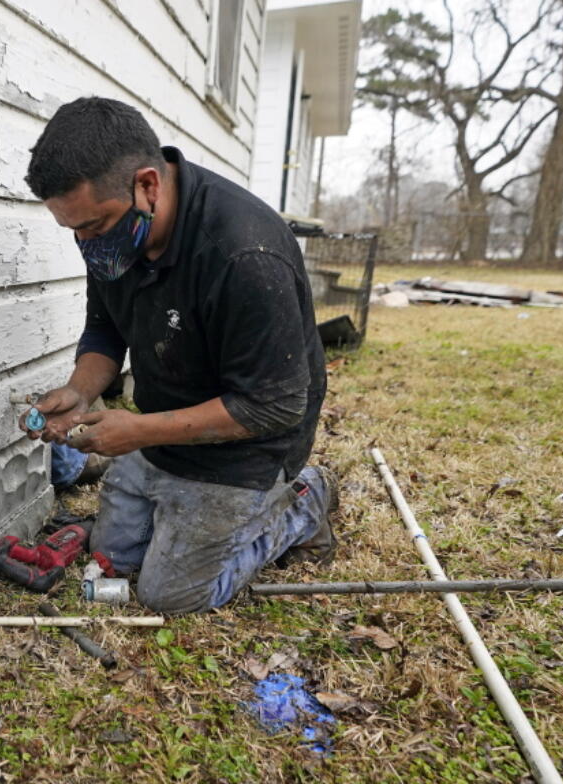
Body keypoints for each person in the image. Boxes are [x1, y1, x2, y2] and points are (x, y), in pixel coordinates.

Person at [20, 97, 337, 614]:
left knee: (167, 595)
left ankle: (304, 501)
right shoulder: (113, 234)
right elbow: (105, 331)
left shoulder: (245, 255)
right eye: (72, 230)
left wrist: (138, 431)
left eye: (94, 227)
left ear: (148, 185)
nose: (84, 242)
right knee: (112, 559)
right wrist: (79, 392)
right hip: (167, 429)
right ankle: (171, 490)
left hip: (247, 449)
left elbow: (272, 407)